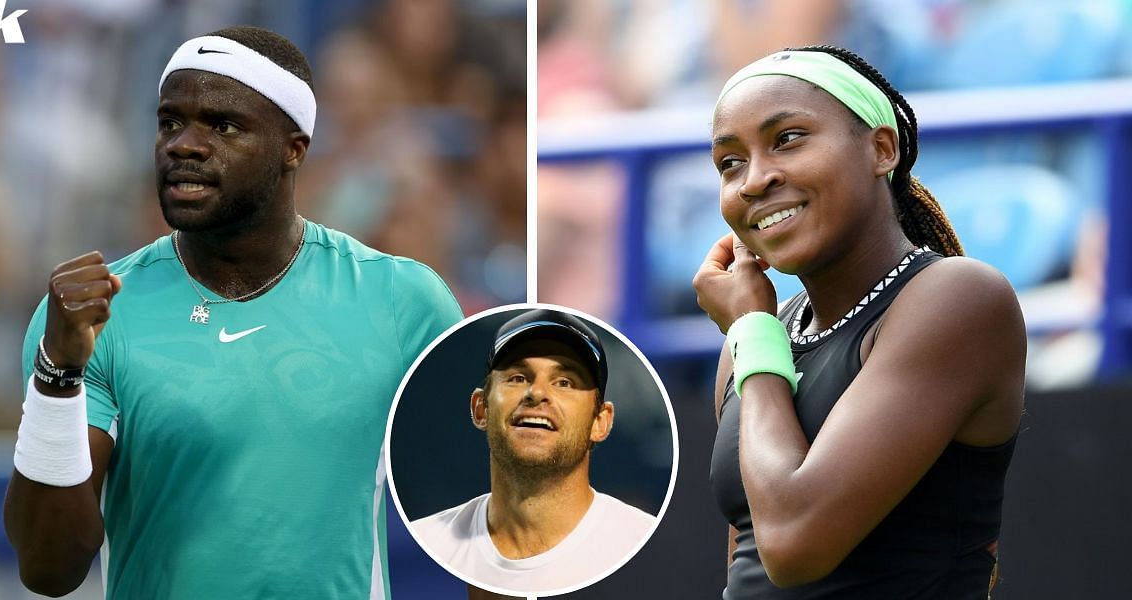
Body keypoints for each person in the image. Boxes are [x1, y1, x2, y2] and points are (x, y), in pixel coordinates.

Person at [2, 26, 462, 599]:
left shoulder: (403, 300)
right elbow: (49, 570)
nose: (183, 145)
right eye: (170, 122)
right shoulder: (92, 316)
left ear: (294, 147)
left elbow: (486, 516)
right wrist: (57, 374)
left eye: (222, 125)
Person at [693, 46, 1025, 599]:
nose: (754, 180)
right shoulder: (760, 338)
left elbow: (794, 543)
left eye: (788, 138)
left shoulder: (959, 298)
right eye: (730, 163)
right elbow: (748, 563)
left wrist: (751, 329)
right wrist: (755, 333)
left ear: (881, 148)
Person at [410, 309, 656, 595]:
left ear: (600, 421)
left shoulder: (642, 542)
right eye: (517, 377)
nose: (536, 392)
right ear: (481, 408)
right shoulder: (429, 540)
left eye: (565, 382)